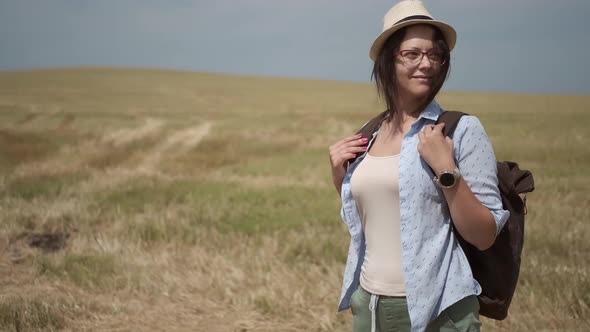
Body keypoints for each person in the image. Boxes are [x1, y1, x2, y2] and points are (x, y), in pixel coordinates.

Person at [327, 1, 509, 331]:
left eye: (435, 55)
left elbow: (484, 235)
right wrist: (341, 178)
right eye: (412, 54)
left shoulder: (460, 130)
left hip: (439, 310)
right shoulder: (369, 134)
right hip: (368, 308)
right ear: (387, 60)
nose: (426, 64)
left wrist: (447, 171)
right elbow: (380, 222)